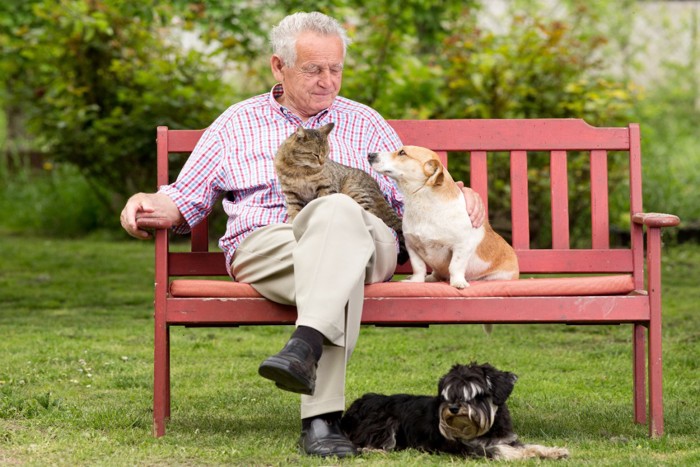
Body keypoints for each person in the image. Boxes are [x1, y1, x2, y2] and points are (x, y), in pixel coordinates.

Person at [120, 11, 484, 458]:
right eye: (314, 69)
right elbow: (186, 196)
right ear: (279, 66)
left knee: (336, 209)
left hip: (372, 244)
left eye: (336, 69)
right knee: (337, 261)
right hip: (272, 246)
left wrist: (460, 193)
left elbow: (414, 185)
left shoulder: (364, 120)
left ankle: (304, 347)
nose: (328, 81)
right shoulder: (237, 122)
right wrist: (148, 200)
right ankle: (321, 419)